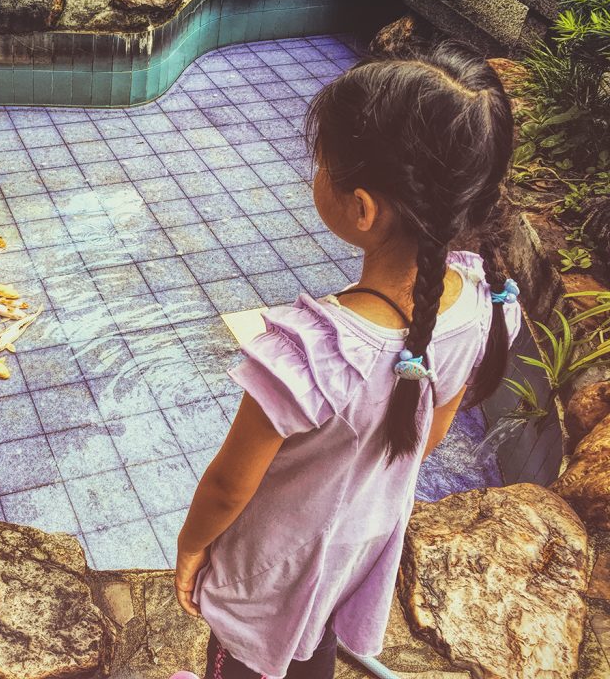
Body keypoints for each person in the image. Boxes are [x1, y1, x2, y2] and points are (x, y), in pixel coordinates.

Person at [173, 41, 523, 679]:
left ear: (361, 207)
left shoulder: (306, 352)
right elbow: (426, 433)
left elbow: (228, 484)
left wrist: (192, 545)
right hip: (360, 543)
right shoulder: (489, 302)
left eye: (321, 163)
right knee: (314, 643)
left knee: (244, 663)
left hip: (274, 569)